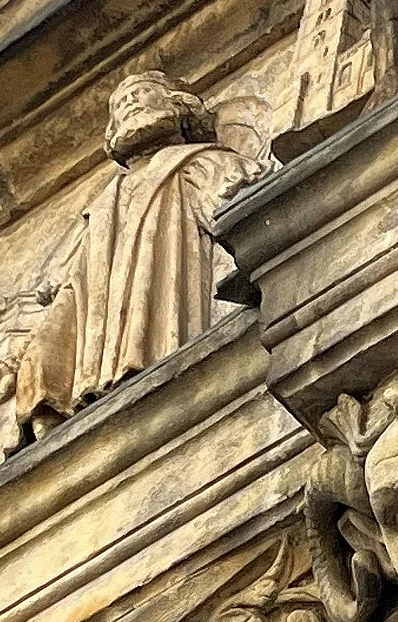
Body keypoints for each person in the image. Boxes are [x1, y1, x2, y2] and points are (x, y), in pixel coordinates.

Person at [13, 73, 263, 439]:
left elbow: (243, 205)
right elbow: (70, 282)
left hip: (173, 309)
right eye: (120, 103)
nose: (130, 102)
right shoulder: (102, 204)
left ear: (178, 107)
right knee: (45, 352)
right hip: (99, 329)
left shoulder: (200, 162)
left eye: (143, 93)